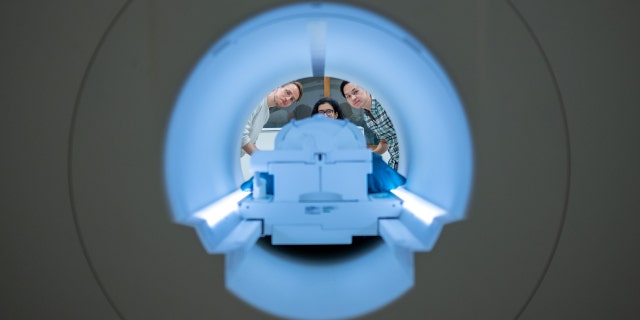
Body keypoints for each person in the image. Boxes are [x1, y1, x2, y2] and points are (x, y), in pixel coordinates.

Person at [241, 97, 405, 194]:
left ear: (335, 114)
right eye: (320, 112)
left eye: (328, 112)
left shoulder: (349, 134)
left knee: (373, 165)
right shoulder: (305, 134)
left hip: (343, 170)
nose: (324, 115)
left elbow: (360, 157)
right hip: (308, 168)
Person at [340, 81, 399, 170]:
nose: (353, 98)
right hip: (395, 163)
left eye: (355, 92)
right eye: (348, 96)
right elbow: (385, 142)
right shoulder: (367, 118)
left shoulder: (385, 104)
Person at [241, 81, 303, 156]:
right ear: (278, 87)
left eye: (292, 99)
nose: (288, 99)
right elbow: (241, 135)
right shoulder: (256, 100)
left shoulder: (266, 114)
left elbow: (251, 140)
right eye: (288, 92)